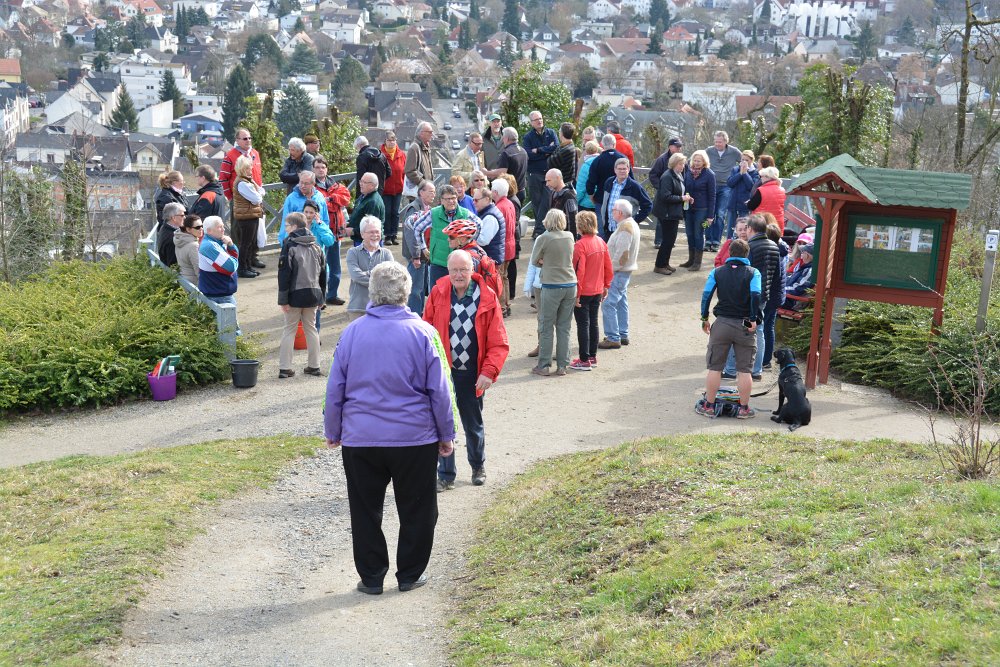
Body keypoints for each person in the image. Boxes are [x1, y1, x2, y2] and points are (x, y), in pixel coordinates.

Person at [323, 262, 456, 596]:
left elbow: (335, 387)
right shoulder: (424, 333)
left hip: (362, 439)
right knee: (418, 509)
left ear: (372, 292)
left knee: (364, 510)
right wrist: (446, 434)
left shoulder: (352, 333)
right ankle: (410, 573)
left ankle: (372, 577)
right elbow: (440, 391)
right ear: (406, 292)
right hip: (413, 439)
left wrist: (333, 429)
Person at [423, 249, 509, 491]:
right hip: (443, 373)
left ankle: (477, 466)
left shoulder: (487, 297)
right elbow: (425, 331)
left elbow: (498, 341)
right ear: (448, 271)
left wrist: (489, 371)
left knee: (473, 424)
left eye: (463, 269)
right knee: (442, 424)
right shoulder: (438, 292)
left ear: (472, 270)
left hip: (472, 373)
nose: (458, 275)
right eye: (454, 270)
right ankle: (445, 474)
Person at [696, 238, 762, 420]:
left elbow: (706, 295)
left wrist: (704, 318)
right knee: (745, 370)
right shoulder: (754, 273)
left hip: (722, 322)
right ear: (747, 254)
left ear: (729, 253)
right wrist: (752, 318)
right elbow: (756, 295)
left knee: (715, 367)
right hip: (744, 324)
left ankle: (709, 406)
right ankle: (744, 409)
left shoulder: (717, 272)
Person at [276, 211, 326, 379]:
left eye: (287, 226)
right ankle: (314, 366)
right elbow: (323, 274)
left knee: (289, 329)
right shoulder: (316, 246)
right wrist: (322, 297)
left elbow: (284, 274)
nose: (285, 229)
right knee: (311, 329)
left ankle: (285, 368)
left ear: (294, 226)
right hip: (314, 293)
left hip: (294, 295)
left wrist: (283, 300)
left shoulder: (289, 245)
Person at [529, 209, 576, 377]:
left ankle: (544, 365)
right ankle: (563, 365)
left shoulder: (544, 238)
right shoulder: (569, 236)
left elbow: (535, 260)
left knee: (546, 326)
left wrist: (546, 261)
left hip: (551, 285)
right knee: (564, 326)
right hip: (570, 283)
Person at [412, 184, 483, 289]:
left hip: (459, 265)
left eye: (453, 198)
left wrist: (469, 242)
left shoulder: (465, 213)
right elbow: (417, 227)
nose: (451, 201)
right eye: (448, 199)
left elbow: (479, 224)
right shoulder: (433, 213)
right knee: (436, 293)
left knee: (457, 294)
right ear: (441, 200)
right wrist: (423, 248)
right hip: (438, 263)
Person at [570, 211, 612, 371]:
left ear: (580, 226)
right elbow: (608, 266)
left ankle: (584, 359)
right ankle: (592, 356)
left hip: (584, 291)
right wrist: (606, 285)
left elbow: (578, 272)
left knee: (583, 325)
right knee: (593, 322)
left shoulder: (580, 245)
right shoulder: (601, 242)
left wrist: (577, 294)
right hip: (597, 288)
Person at [220, 128, 264, 271]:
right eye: (245, 138)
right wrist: (231, 197)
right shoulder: (230, 155)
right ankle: (239, 261)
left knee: (255, 231)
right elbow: (223, 179)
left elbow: (258, 175)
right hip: (240, 199)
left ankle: (252, 258)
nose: (248, 141)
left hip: (254, 198)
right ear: (237, 140)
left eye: (250, 138)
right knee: (239, 231)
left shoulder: (255, 153)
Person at [598, 199, 640, 350]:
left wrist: (609, 271)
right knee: (621, 302)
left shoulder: (625, 227)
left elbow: (622, 254)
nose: (612, 211)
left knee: (608, 303)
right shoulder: (629, 224)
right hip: (624, 271)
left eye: (614, 210)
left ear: (620, 213)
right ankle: (622, 334)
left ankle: (613, 337)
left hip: (619, 271)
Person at [313, 157, 352, 306]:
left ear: (326, 169)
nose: (320, 170)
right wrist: (334, 202)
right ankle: (319, 297)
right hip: (319, 233)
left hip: (335, 232)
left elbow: (346, 199)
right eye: (317, 167)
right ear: (313, 169)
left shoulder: (335, 184)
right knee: (319, 266)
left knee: (335, 266)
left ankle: (332, 294)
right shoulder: (311, 187)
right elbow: (318, 206)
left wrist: (330, 199)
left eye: (323, 167)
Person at [198, 215, 241, 335]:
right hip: (219, 295)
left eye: (223, 226)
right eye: (219, 227)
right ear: (209, 230)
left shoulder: (216, 242)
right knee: (231, 331)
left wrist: (231, 245)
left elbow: (233, 259)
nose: (223, 229)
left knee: (226, 329)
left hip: (220, 292)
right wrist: (235, 260)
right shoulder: (209, 246)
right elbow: (231, 267)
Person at [346, 216, 394, 321]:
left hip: (381, 308)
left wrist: (368, 274)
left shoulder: (387, 253)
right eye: (371, 232)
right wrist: (378, 277)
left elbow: (390, 278)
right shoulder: (352, 253)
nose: (375, 235)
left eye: (377, 232)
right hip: (358, 307)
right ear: (362, 234)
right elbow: (356, 276)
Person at [652, 152, 691, 276]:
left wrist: (685, 198)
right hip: (666, 213)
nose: (682, 166)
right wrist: (682, 198)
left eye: (683, 164)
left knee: (670, 240)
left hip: (672, 212)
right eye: (680, 164)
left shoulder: (677, 175)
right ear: (674, 164)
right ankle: (659, 265)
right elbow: (665, 196)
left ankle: (665, 263)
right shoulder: (667, 176)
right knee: (667, 240)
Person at [401, 179, 436, 314]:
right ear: (421, 192)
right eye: (430, 191)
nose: (433, 194)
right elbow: (411, 233)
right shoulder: (414, 208)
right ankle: (415, 315)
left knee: (421, 288)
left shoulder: (428, 209)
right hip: (417, 257)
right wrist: (416, 256)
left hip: (425, 256)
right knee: (415, 289)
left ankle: (420, 314)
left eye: (434, 192)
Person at [704, 130, 742, 252]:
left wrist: (739, 174)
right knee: (708, 214)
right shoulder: (709, 151)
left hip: (726, 186)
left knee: (720, 214)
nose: (717, 144)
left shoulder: (734, 152)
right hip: (710, 186)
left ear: (726, 141)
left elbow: (746, 161)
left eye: (719, 142)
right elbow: (697, 160)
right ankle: (707, 239)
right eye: (715, 141)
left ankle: (716, 241)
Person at [599, 158, 651, 242]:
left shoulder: (635, 187)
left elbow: (648, 205)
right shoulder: (609, 182)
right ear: (615, 170)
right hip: (608, 228)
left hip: (625, 230)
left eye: (624, 169)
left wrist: (634, 220)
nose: (622, 171)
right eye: (619, 169)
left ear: (628, 169)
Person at [585, 134, 628, 236]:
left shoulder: (597, 160)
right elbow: (630, 180)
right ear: (614, 144)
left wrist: (591, 196)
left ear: (602, 145)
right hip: (620, 199)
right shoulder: (623, 159)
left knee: (601, 230)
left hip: (601, 198)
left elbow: (591, 182)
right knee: (620, 230)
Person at [523, 110, 558, 236]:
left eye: (540, 118)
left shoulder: (551, 133)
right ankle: (540, 231)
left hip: (548, 173)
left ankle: (539, 230)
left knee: (547, 201)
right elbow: (528, 155)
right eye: (536, 119)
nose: (539, 121)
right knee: (536, 202)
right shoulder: (528, 137)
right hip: (534, 173)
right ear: (531, 123)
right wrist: (546, 152)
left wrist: (538, 150)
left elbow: (556, 148)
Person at [681, 150, 716, 271]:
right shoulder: (688, 172)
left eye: (699, 161)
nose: (696, 163)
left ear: (704, 162)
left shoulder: (709, 174)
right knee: (689, 234)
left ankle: (697, 262)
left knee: (698, 234)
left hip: (702, 209)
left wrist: (710, 216)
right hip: (688, 208)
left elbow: (712, 196)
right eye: (694, 160)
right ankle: (690, 260)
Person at [231, 155, 266, 278]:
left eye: (250, 167)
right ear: (241, 169)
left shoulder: (247, 181)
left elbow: (262, 192)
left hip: (251, 215)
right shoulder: (242, 183)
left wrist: (258, 192)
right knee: (245, 244)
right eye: (247, 168)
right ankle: (242, 269)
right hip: (246, 217)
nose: (250, 170)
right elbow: (257, 198)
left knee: (249, 243)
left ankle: (247, 266)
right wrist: (258, 194)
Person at [647, 137, 685, 249]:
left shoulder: (682, 160)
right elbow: (653, 175)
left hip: (676, 195)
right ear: (670, 147)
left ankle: (670, 241)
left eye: (680, 146)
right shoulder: (662, 159)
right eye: (676, 146)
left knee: (674, 219)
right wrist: (661, 187)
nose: (678, 148)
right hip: (664, 195)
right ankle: (659, 241)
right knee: (661, 218)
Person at [761, 222, 789, 371]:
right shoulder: (782, 250)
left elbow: (771, 278)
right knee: (768, 326)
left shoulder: (773, 254)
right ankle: (766, 360)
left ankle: (764, 359)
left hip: (771, 296)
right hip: (777, 295)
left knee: (764, 327)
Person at [279, 170, 330, 247]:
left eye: (306, 183)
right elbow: (285, 223)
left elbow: (325, 220)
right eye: (301, 182)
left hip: (317, 244)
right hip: (298, 244)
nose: (302, 186)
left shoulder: (319, 197)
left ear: (313, 184)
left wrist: (325, 237)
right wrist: (284, 244)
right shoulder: (291, 199)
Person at [492, 178, 517, 315]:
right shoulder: (509, 203)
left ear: (495, 192)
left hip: (503, 247)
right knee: (504, 276)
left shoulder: (499, 207)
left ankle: (502, 306)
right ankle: (506, 303)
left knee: (500, 277)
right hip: (510, 245)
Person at [380, 131, 406, 245]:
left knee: (395, 212)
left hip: (398, 189)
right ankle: (387, 235)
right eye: (389, 140)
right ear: (385, 141)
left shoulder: (401, 154)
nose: (391, 142)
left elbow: (404, 171)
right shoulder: (380, 154)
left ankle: (394, 235)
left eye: (393, 140)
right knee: (387, 212)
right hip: (386, 190)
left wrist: (404, 184)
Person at [485, 127, 527, 196]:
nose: (503, 139)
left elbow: (502, 172)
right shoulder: (523, 151)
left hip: (511, 192)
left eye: (503, 137)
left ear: (507, 139)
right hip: (522, 190)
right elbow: (515, 167)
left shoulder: (506, 153)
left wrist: (487, 173)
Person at [347, 173, 386, 246]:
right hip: (361, 239)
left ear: (372, 185)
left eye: (364, 182)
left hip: (369, 243)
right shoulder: (364, 196)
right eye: (360, 181)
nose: (361, 184)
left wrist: (353, 231)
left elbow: (371, 227)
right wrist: (348, 223)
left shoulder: (373, 202)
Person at [726, 150, 759, 236]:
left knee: (744, 228)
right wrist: (740, 174)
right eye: (742, 160)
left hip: (745, 205)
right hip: (733, 203)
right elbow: (730, 183)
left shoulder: (755, 172)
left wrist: (745, 174)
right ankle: (729, 243)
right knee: (731, 228)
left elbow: (751, 187)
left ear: (752, 160)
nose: (744, 162)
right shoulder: (735, 169)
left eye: (747, 160)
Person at [472, 186, 505, 266]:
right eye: (473, 200)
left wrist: (469, 233)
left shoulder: (490, 217)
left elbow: (483, 241)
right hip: (490, 260)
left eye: (476, 200)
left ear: (486, 199)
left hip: (491, 262)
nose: (473, 203)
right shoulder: (488, 212)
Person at [747, 166, 787, 232]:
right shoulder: (782, 190)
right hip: (777, 225)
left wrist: (748, 203)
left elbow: (751, 206)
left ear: (767, 177)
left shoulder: (761, 190)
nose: (761, 178)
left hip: (762, 224)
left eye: (761, 176)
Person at [546, 167, 579, 238]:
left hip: (565, 237)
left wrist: (572, 240)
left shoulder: (569, 196)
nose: (547, 184)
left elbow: (572, 220)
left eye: (549, 180)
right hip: (554, 236)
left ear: (558, 178)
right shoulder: (553, 193)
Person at [404, 122, 435, 196]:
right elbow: (410, 171)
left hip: (425, 192)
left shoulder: (426, 147)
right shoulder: (414, 148)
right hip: (418, 193)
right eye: (429, 132)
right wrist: (423, 184)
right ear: (421, 133)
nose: (432, 134)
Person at [174, 214, 203, 284]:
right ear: (188, 229)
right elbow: (199, 271)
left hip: (183, 281)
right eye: (198, 227)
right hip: (194, 284)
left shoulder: (179, 239)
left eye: (202, 226)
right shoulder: (193, 246)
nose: (201, 229)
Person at [783, 243, 814, 308]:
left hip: (793, 301)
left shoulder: (810, 271)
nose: (801, 255)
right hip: (787, 296)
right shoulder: (805, 267)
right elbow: (790, 278)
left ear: (807, 255)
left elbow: (797, 289)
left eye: (802, 253)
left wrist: (780, 289)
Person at [575, 140, 601, 214]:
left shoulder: (585, 166)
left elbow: (581, 186)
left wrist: (576, 200)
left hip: (585, 203)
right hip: (599, 202)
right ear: (597, 149)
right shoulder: (602, 163)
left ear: (586, 151)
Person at [156, 202, 185, 266]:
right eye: (182, 215)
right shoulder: (172, 238)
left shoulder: (165, 227)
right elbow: (173, 265)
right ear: (174, 218)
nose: (185, 217)